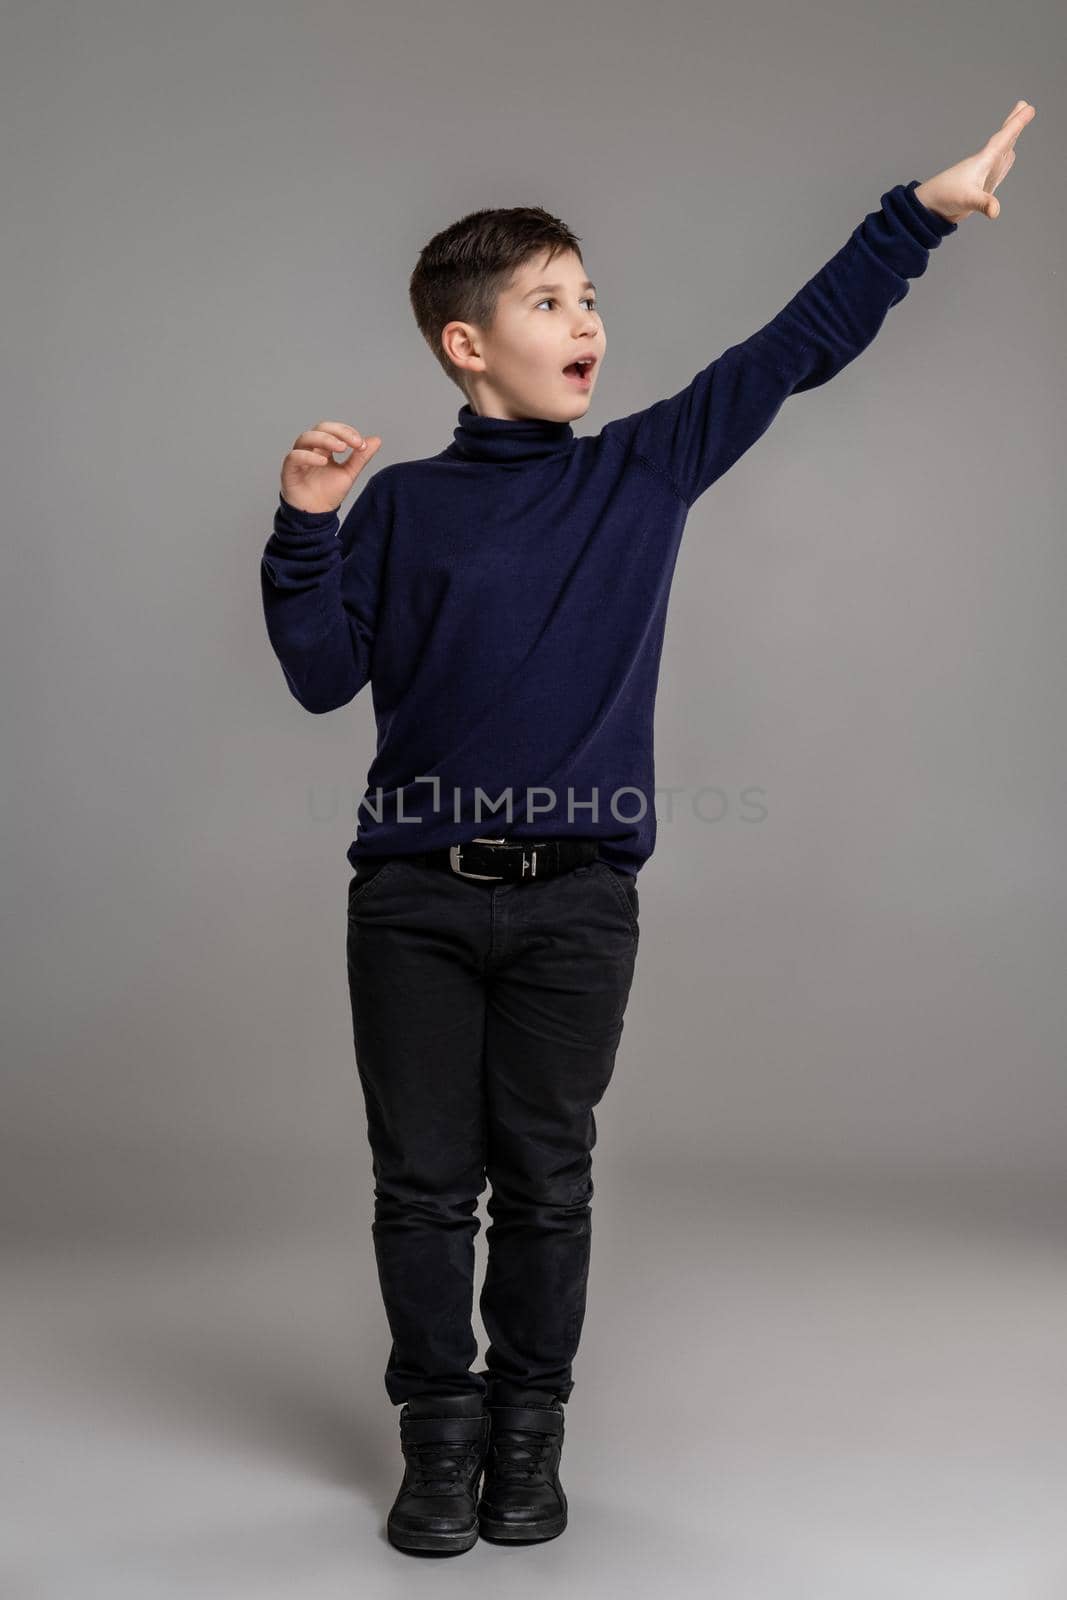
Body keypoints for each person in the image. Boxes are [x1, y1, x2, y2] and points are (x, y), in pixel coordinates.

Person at [259, 102, 1034, 1555]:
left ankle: (529, 1435)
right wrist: (306, 525)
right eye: (551, 300)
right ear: (467, 345)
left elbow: (788, 353)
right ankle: (439, 1440)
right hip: (414, 902)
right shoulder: (406, 509)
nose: (590, 319)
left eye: (593, 295)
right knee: (423, 1185)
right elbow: (318, 681)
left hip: (578, 903)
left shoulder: (641, 473)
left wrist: (915, 214)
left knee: (546, 1179)